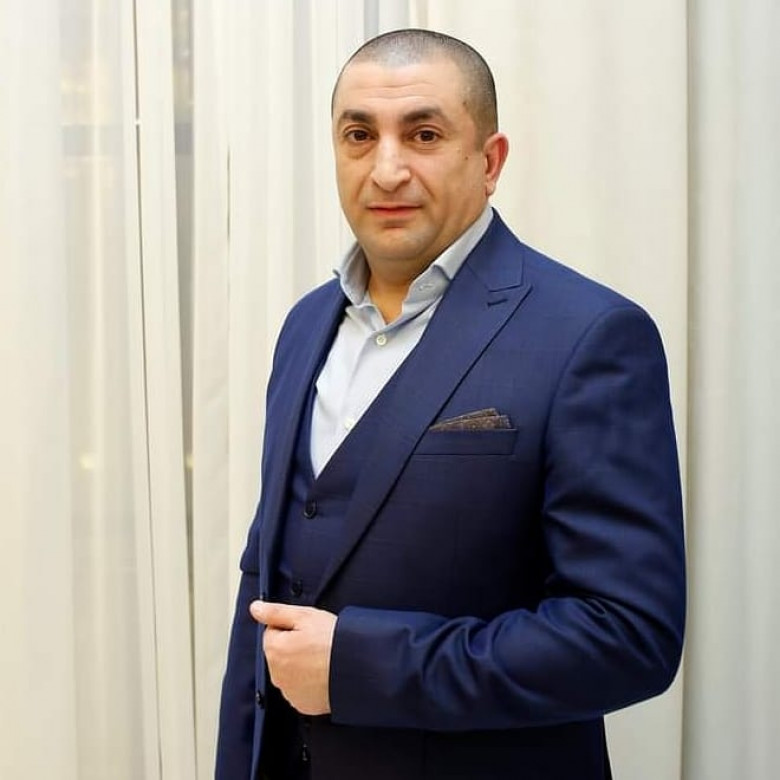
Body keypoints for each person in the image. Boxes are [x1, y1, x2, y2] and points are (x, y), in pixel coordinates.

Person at [215, 28, 686, 780]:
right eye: (359, 136)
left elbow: (628, 637)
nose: (387, 169)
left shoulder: (591, 336)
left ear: (489, 161)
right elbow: (267, 585)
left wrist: (361, 666)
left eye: (424, 134)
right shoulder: (304, 326)